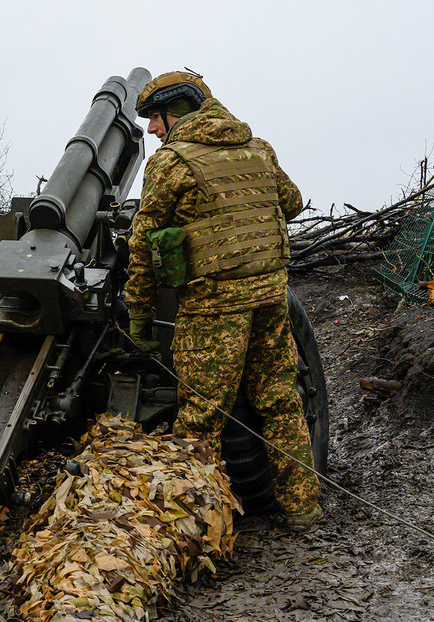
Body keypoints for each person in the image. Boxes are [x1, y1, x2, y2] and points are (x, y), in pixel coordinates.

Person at [125, 71, 322, 529]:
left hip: (213, 308)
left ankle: (198, 527)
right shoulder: (258, 149)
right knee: (280, 400)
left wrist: (138, 314)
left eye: (155, 118)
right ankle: (303, 508)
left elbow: (143, 244)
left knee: (200, 418)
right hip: (270, 297)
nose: (151, 129)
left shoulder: (171, 163)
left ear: (177, 112)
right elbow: (291, 202)